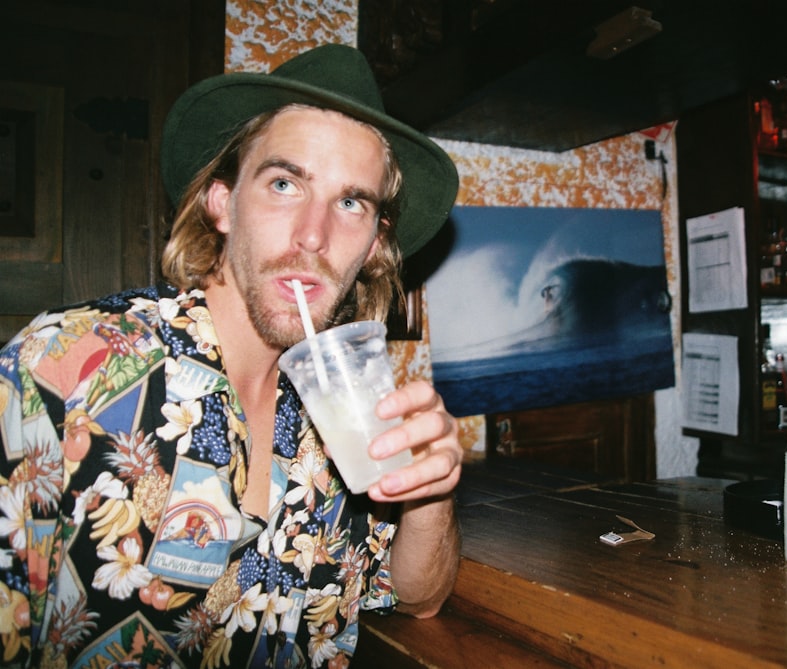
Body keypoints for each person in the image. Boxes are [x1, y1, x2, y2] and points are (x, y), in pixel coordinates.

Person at [0, 44, 462, 667]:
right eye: (284, 183)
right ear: (221, 202)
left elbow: (416, 601)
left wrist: (431, 492)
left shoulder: (344, 415)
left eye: (351, 202)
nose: (313, 235)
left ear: (376, 245)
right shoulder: (62, 366)